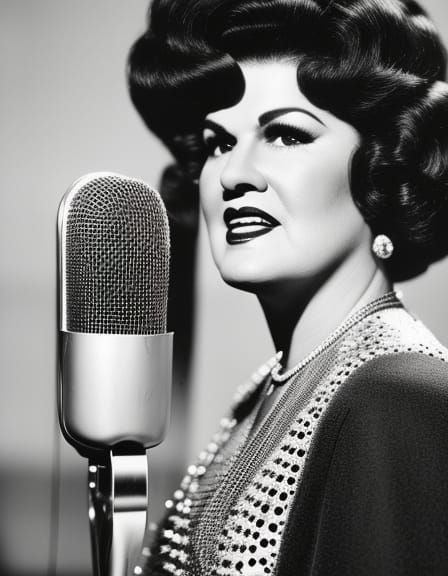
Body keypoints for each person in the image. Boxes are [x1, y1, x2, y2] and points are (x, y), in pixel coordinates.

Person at [128, 0, 448, 574]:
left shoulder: (399, 395)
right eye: (219, 143)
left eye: (285, 135)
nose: (234, 175)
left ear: (383, 166)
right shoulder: (266, 390)